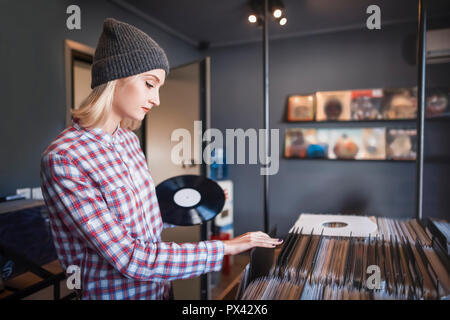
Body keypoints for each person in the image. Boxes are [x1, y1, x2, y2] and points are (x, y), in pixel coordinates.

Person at [40, 18, 282, 300]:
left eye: (159, 88)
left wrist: (190, 202)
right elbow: (130, 257)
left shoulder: (129, 141)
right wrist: (226, 247)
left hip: (160, 289)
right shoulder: (64, 158)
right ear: (116, 77)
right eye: (149, 84)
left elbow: (144, 218)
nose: (156, 99)